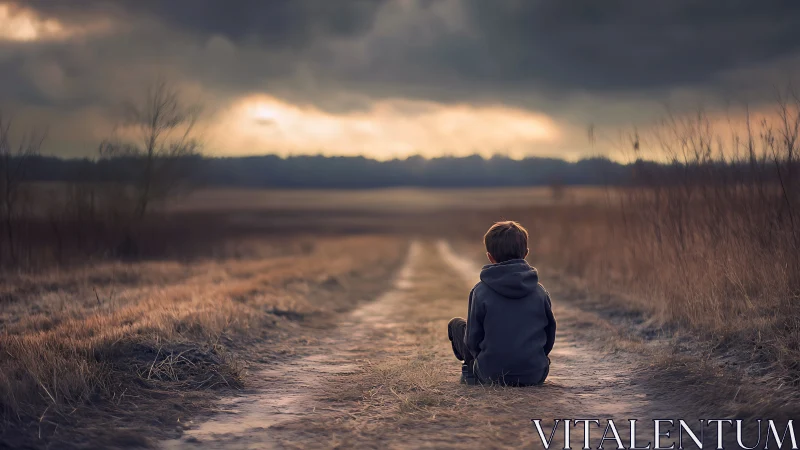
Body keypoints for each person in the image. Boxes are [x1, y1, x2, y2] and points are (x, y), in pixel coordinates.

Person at [447, 221, 556, 386]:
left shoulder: (480, 291)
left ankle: (469, 371)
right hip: (535, 374)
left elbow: (472, 341)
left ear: (490, 256)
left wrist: (482, 360)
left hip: (490, 375)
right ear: (526, 253)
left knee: (456, 325)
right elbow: (549, 335)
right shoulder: (540, 292)